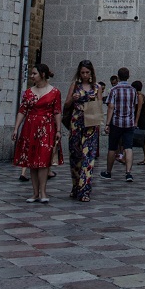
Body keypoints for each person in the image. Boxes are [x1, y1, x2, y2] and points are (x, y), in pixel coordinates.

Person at [12, 63, 62, 204]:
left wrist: (58, 130)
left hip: (47, 127)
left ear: (43, 74)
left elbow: (57, 111)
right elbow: (22, 111)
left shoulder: (54, 92)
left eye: (34, 74)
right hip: (30, 127)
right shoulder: (28, 92)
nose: (32, 76)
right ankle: (34, 193)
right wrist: (16, 128)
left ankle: (43, 192)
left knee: (44, 160)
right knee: (32, 160)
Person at [65, 59, 102, 202]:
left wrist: (92, 100)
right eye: (82, 72)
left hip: (91, 124)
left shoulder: (97, 87)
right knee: (75, 156)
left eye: (87, 72)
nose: (85, 75)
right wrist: (73, 99)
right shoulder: (75, 86)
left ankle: (84, 190)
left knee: (88, 157)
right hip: (76, 123)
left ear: (91, 72)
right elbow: (67, 104)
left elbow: (99, 107)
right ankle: (76, 186)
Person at [101, 67, 137, 182]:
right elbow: (134, 106)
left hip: (116, 122)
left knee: (112, 147)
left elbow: (111, 107)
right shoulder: (133, 90)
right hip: (129, 123)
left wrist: (107, 124)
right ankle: (128, 173)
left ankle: (108, 172)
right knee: (128, 147)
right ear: (128, 76)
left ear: (118, 76)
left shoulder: (114, 90)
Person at [132, 80, 145, 164]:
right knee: (144, 139)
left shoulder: (139, 96)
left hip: (140, 119)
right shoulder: (143, 96)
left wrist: (136, 121)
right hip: (143, 119)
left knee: (144, 139)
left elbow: (139, 109)